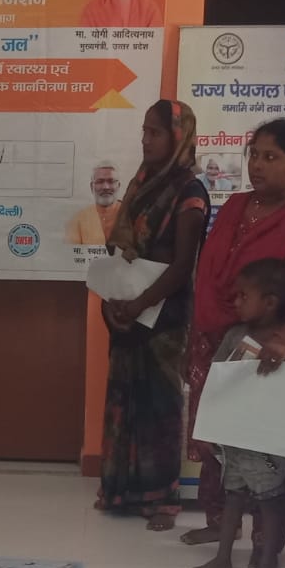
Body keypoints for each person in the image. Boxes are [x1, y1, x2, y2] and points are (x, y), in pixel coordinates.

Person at [186, 119, 285, 552]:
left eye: (271, 157)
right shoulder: (234, 205)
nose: (257, 165)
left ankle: (265, 541)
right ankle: (221, 523)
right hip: (217, 339)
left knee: (268, 443)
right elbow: (208, 274)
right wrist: (193, 339)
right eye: (254, 155)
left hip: (272, 347)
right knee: (219, 435)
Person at [94, 100, 209, 531]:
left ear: (178, 138)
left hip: (164, 313)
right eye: (144, 131)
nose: (145, 140)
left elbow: (182, 265)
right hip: (125, 307)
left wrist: (141, 303)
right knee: (125, 396)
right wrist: (117, 300)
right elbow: (119, 246)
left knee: (160, 405)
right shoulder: (140, 184)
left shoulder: (190, 192)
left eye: (155, 132)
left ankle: (162, 498)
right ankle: (121, 490)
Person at [191, 259, 285, 568]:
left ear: (270, 302)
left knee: (270, 503)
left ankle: (268, 563)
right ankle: (223, 557)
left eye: (244, 296)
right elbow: (218, 379)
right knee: (233, 496)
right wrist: (211, 428)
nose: (236, 302)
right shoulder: (234, 336)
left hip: (269, 441)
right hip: (235, 438)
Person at [65, 161, 124, 245]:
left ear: (118, 186)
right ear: (91, 187)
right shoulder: (78, 220)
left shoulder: (131, 215)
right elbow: (70, 251)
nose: (105, 187)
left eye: (111, 181)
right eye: (100, 181)